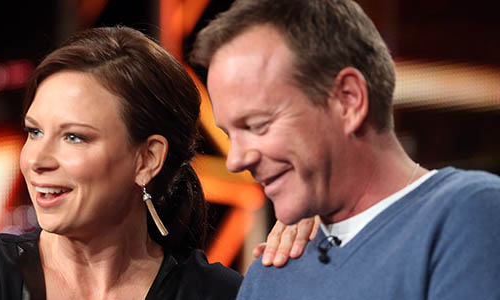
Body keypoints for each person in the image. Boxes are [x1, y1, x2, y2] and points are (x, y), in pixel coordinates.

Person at [0, 26, 312, 300]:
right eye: (34, 132)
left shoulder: (215, 293)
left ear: (146, 159)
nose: (37, 160)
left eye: (73, 137)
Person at [191, 0, 500, 299]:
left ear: (348, 100)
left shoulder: (467, 212)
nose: (236, 160)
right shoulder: (269, 275)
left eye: (257, 125)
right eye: (230, 135)